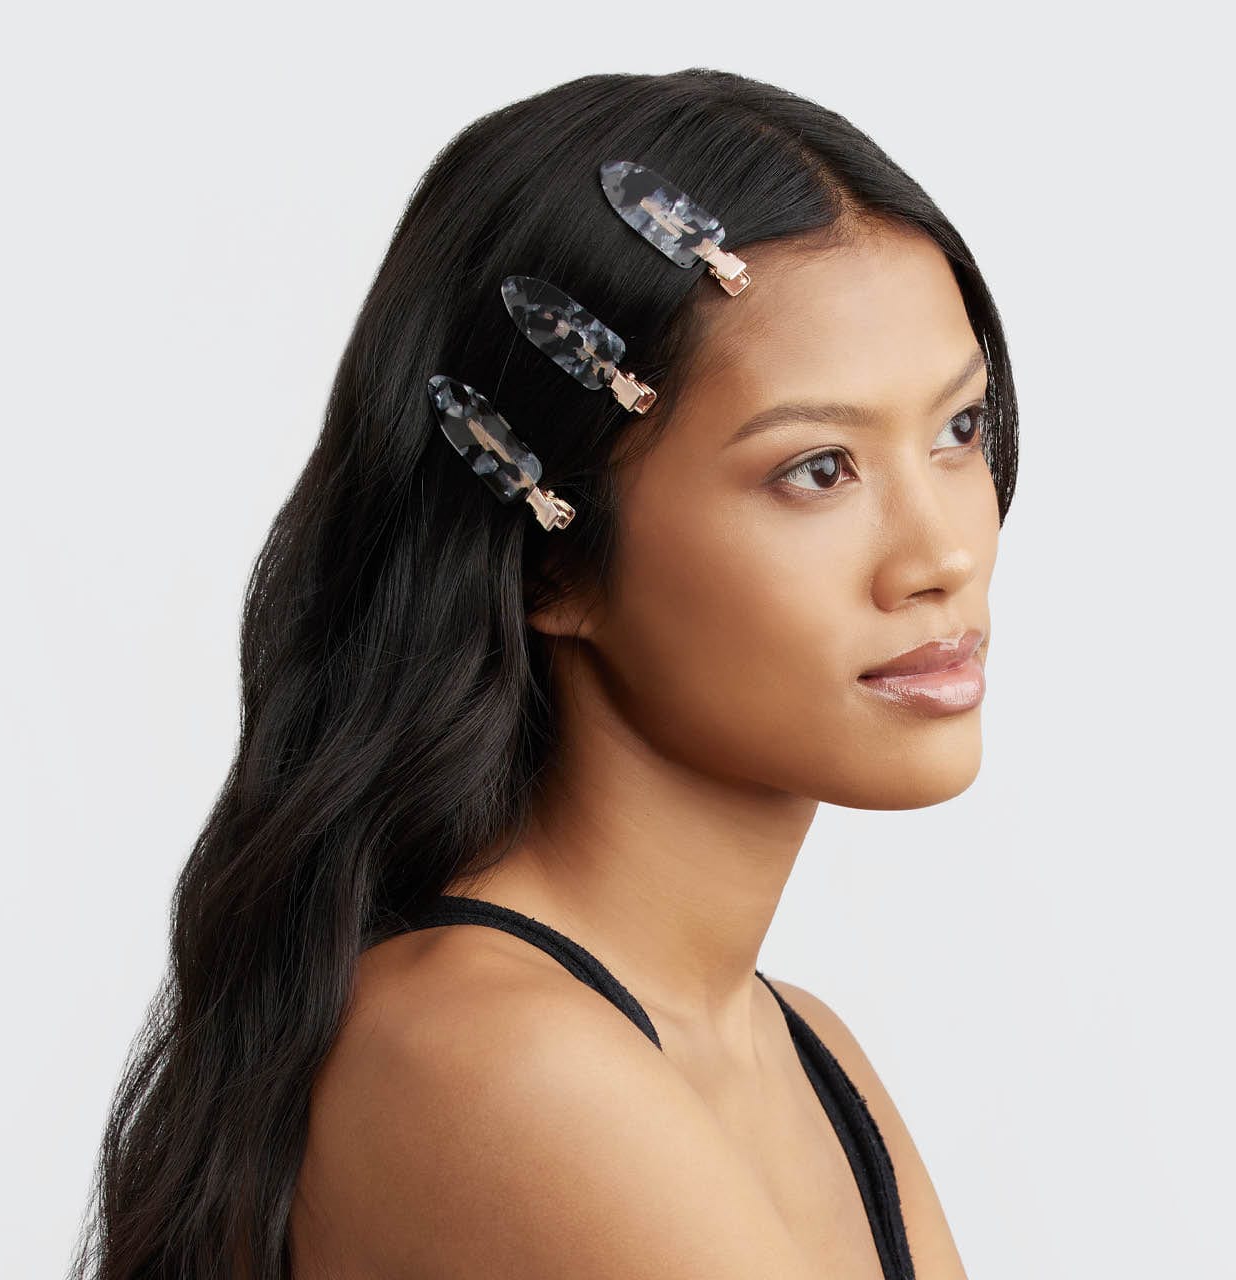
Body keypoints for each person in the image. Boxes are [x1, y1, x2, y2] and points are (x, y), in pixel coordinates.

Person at [69, 66, 1017, 1280]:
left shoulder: (807, 1056)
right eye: (815, 468)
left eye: (957, 429)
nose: (941, 554)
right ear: (548, 560)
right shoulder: (493, 1057)